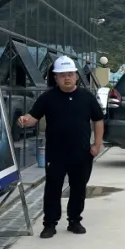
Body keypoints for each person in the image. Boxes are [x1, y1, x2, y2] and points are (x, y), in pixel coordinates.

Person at [18, 55, 104, 238]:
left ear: (76, 76)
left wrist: (97, 144)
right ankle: (50, 224)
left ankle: (74, 221)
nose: (67, 78)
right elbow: (33, 117)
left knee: (78, 188)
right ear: (56, 78)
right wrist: (24, 120)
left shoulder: (87, 97)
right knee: (53, 189)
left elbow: (98, 120)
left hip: (81, 153)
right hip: (56, 154)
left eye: (70, 74)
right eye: (62, 75)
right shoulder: (48, 98)